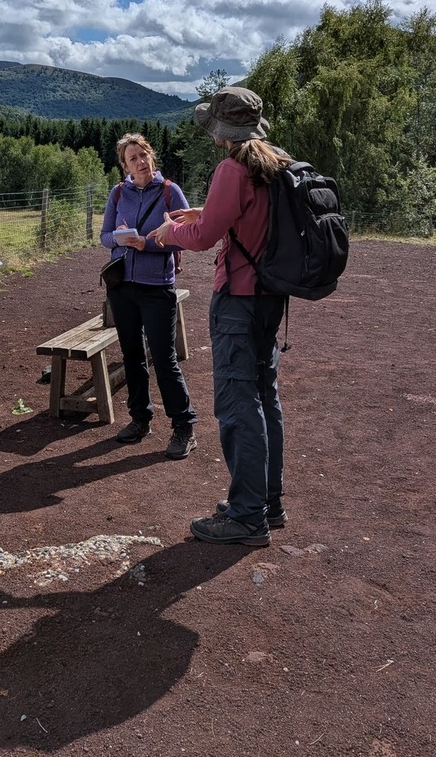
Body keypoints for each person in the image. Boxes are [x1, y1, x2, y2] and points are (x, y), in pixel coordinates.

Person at [152, 88, 291, 546]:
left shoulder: (233, 168)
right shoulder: (274, 161)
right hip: (270, 297)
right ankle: (267, 503)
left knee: (237, 404)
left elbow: (203, 237)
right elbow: (246, 219)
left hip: (238, 299)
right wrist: (204, 212)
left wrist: (171, 230)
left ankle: (247, 516)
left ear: (221, 130)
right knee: (264, 396)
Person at [100, 133, 198, 459]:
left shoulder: (170, 192)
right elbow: (103, 236)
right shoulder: (118, 193)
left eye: (143, 155)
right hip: (122, 287)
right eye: (133, 158)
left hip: (157, 288)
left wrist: (149, 244)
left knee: (164, 359)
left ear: (151, 155)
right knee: (131, 356)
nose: (140, 162)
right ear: (124, 165)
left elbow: (186, 237)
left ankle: (184, 427)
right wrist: (119, 238)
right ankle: (140, 419)